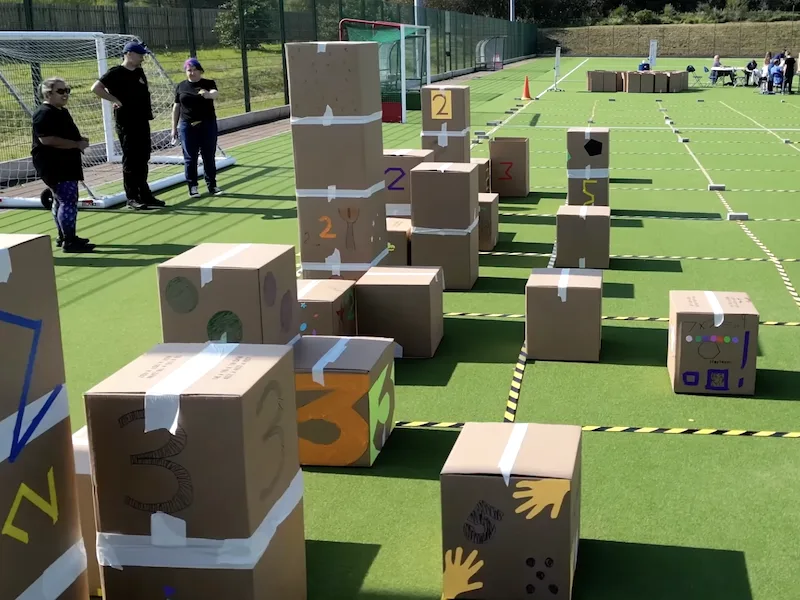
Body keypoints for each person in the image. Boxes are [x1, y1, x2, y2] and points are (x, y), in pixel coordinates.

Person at [91, 41, 165, 211]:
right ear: (129, 54)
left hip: (142, 121)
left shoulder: (139, 71)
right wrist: (114, 100)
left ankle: (145, 194)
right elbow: (96, 88)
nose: (142, 59)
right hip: (127, 123)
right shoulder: (115, 73)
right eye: (140, 55)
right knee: (131, 160)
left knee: (143, 158)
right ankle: (132, 197)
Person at [31, 77, 94, 253]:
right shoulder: (43, 113)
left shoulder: (61, 111)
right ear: (48, 93)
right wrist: (76, 144)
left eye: (67, 90)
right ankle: (69, 240)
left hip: (65, 162)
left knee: (61, 200)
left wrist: (79, 140)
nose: (65, 94)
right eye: (60, 91)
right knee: (68, 200)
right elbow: (47, 139)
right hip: (54, 164)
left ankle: (64, 236)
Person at [171, 57, 223, 198]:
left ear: (200, 71)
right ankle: (192, 186)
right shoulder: (181, 86)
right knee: (190, 157)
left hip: (207, 124)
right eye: (189, 70)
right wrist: (174, 128)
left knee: (208, 156)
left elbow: (215, 93)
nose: (192, 73)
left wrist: (207, 95)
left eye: (195, 70)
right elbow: (176, 107)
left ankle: (212, 185)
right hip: (187, 126)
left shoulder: (208, 83)